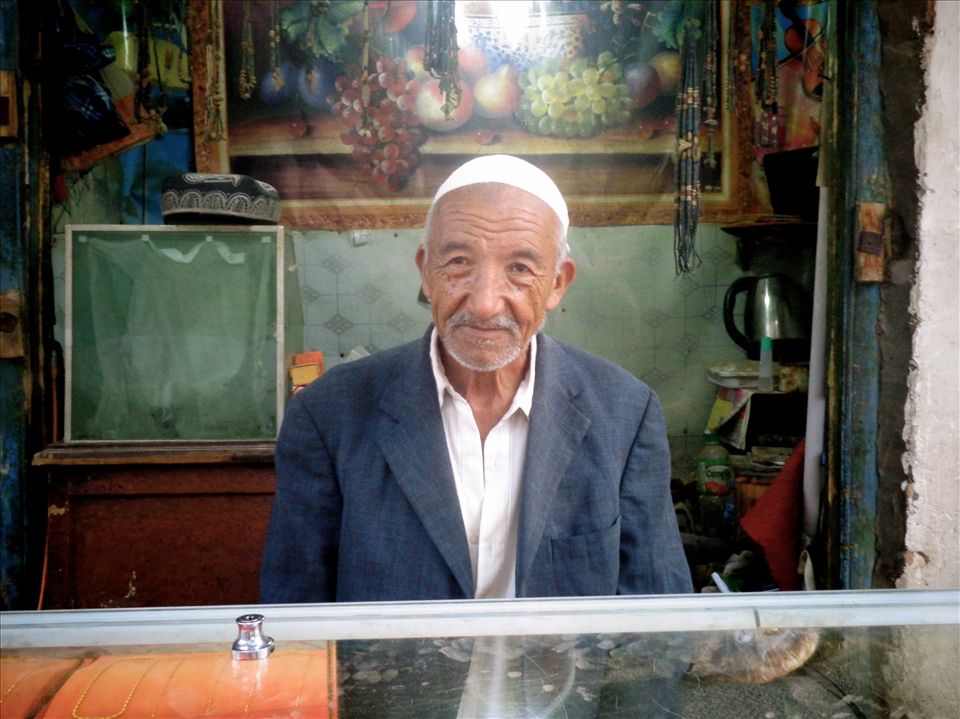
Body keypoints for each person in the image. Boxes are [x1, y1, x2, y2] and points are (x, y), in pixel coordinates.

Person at [260, 155, 692, 603]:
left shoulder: (626, 412)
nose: (485, 304)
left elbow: (658, 621)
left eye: (520, 269)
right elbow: (295, 618)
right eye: (460, 262)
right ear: (426, 271)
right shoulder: (329, 413)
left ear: (558, 284)